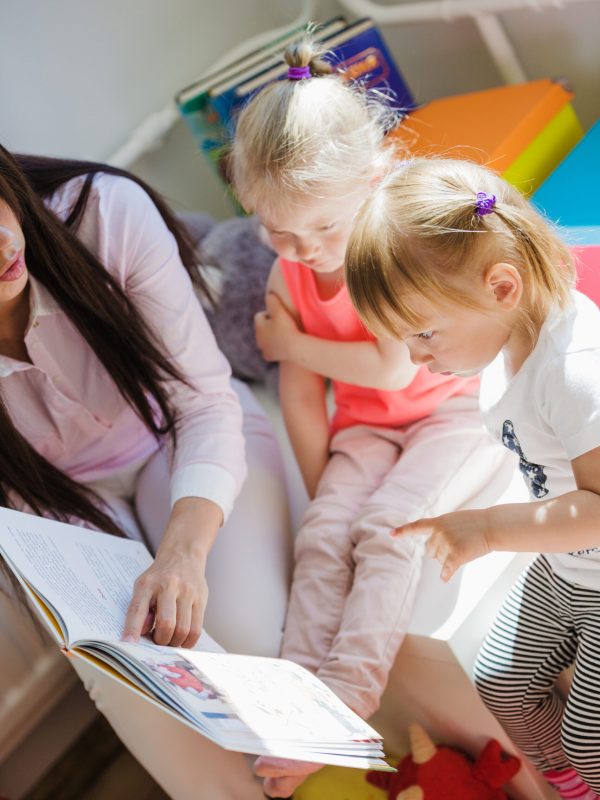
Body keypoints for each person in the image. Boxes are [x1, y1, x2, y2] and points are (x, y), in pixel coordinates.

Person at [230, 37, 516, 798]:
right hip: (367, 430)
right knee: (324, 537)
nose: (305, 249)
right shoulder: (288, 269)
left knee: (386, 536)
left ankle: (347, 704)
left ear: (375, 177)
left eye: (321, 228)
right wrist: (326, 490)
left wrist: (291, 341)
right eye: (278, 231)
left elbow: (394, 366)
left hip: (451, 413)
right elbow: (297, 395)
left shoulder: (386, 251)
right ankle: (290, 709)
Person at [0, 146, 292, 799]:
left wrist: (183, 555)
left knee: (247, 645)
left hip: (178, 435)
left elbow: (202, 401)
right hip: (61, 502)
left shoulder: (102, 214)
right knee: (125, 673)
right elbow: (23, 504)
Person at [345, 156, 600, 799]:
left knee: (587, 735)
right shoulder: (509, 344)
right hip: (568, 564)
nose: (416, 357)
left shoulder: (573, 371)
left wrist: (488, 529)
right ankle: (573, 789)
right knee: (501, 680)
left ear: (502, 288)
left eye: (425, 333)